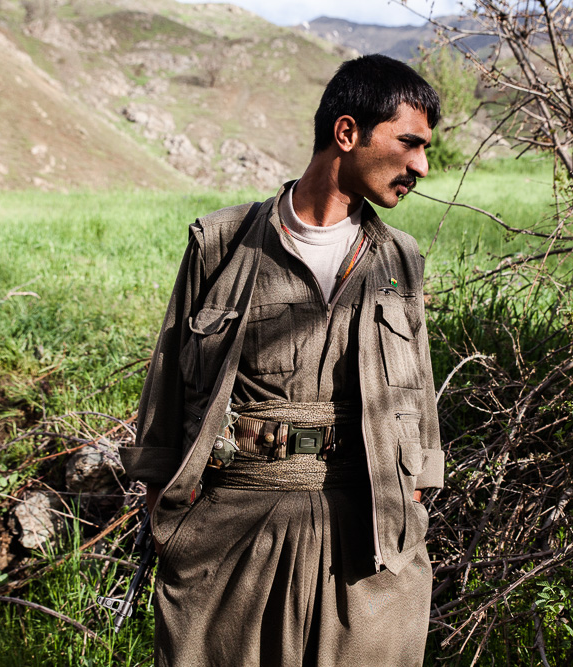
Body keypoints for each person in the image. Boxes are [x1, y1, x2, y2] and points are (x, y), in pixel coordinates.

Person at [119, 54, 444, 666]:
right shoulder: (221, 244)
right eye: (409, 144)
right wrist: (173, 527)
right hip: (233, 527)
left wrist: (412, 502)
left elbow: (419, 399)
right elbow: (166, 388)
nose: (420, 167)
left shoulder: (401, 259)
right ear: (347, 134)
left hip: (370, 536)